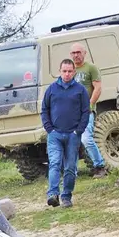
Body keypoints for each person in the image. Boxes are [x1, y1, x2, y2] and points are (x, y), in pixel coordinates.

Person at [40, 59, 90, 208]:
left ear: (74, 72)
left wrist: (78, 131)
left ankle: (66, 196)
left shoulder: (80, 90)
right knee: (55, 163)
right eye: (64, 71)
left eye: (69, 71)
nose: (67, 74)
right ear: (60, 71)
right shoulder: (51, 89)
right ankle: (52, 194)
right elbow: (44, 110)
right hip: (55, 134)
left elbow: (85, 112)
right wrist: (49, 129)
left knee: (70, 167)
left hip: (73, 135)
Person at [69, 43, 109, 178]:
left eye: (78, 52)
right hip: (72, 112)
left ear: (84, 53)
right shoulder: (69, 70)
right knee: (72, 141)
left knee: (86, 139)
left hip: (86, 111)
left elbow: (97, 88)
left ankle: (100, 166)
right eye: (73, 53)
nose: (76, 55)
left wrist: (90, 105)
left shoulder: (91, 68)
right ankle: (72, 172)